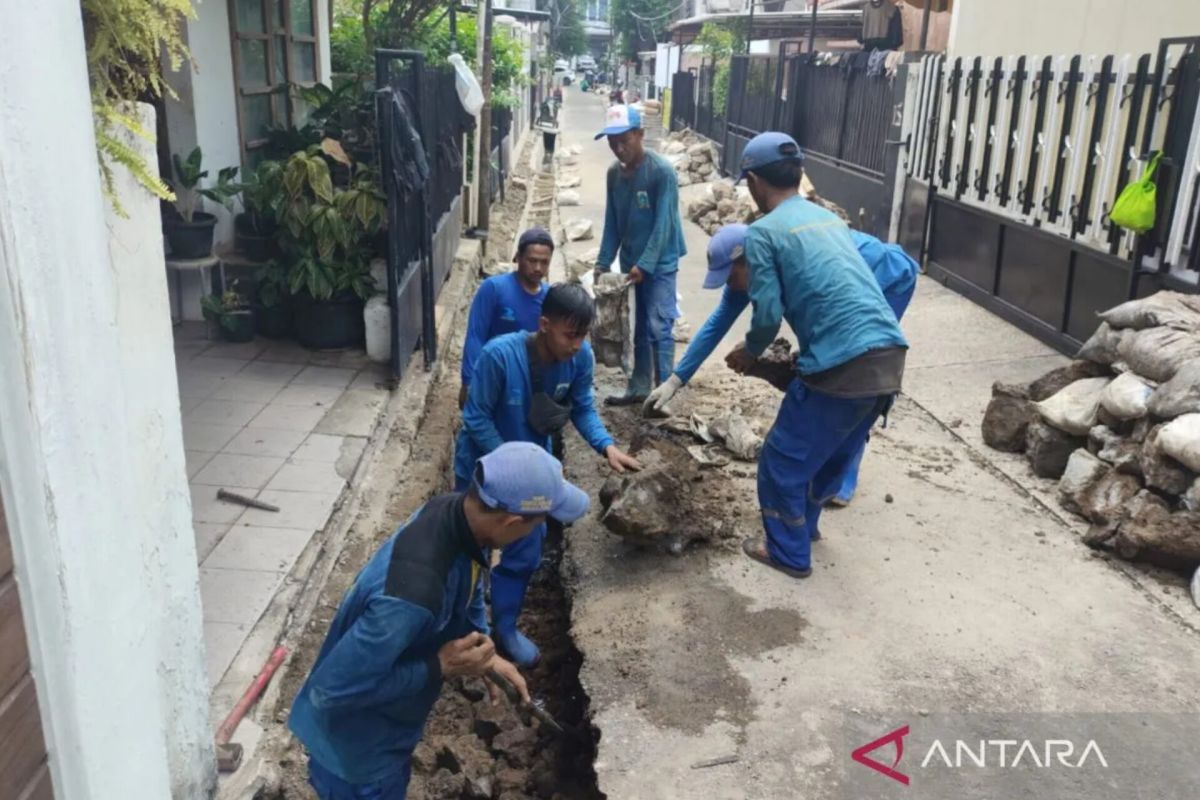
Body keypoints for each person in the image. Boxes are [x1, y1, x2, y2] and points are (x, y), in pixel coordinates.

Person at [289, 441, 589, 800]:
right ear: (512, 521)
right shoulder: (409, 599)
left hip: (385, 731)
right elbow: (329, 693)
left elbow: (471, 579)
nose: (534, 535)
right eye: (538, 525)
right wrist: (439, 667)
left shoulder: (457, 513)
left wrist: (485, 651)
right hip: (356, 754)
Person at [724, 132, 908, 580]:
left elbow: (766, 312)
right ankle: (805, 529)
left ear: (752, 181)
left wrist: (751, 352)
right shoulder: (825, 219)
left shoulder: (764, 232)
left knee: (782, 459)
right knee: (830, 454)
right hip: (889, 355)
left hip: (842, 363)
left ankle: (787, 552)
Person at [643, 223, 918, 507]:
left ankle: (841, 478)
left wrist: (762, 352)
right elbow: (718, 323)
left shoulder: (793, 264)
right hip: (852, 281)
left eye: (729, 276)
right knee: (831, 375)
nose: (729, 284)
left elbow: (806, 319)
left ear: (747, 259)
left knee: (856, 378)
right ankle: (824, 466)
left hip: (889, 278)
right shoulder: (752, 270)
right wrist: (675, 380)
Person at [454, 283, 641, 665]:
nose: (577, 344)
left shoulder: (580, 358)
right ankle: (468, 632)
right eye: (570, 334)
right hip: (482, 473)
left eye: (583, 334)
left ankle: (505, 628)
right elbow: (475, 417)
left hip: (533, 481)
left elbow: (582, 407)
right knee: (470, 554)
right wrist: (512, 463)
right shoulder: (499, 357)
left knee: (526, 547)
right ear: (543, 324)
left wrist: (606, 446)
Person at [594, 104, 687, 406]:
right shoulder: (612, 174)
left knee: (660, 324)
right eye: (612, 142)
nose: (618, 148)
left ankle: (664, 394)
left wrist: (646, 264)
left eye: (625, 140)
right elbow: (613, 221)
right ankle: (639, 387)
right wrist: (603, 260)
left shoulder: (661, 172)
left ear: (640, 134)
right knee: (639, 328)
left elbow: (663, 226)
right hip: (632, 263)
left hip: (660, 263)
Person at [459, 228, 554, 409]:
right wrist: (468, 381)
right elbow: (476, 335)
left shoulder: (550, 297)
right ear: (517, 258)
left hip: (528, 383)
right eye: (532, 261)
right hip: (493, 375)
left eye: (544, 262)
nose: (538, 268)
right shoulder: (494, 288)